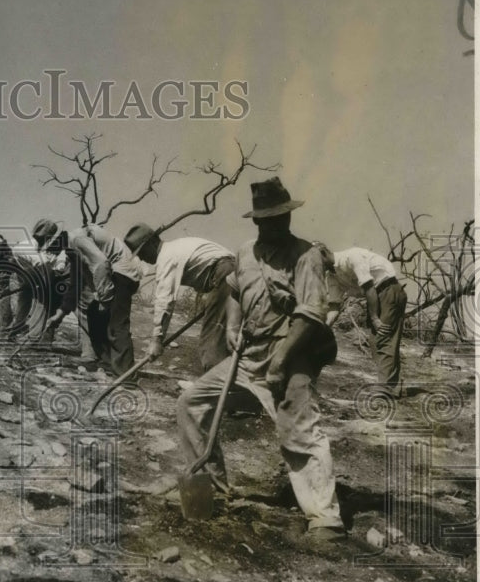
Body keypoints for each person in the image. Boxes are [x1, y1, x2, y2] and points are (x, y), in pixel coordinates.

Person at [176, 177, 346, 543]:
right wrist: (233, 326)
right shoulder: (244, 252)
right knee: (191, 402)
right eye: (263, 219)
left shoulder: (306, 255)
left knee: (299, 432)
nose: (270, 225)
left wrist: (281, 361)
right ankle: (213, 484)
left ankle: (325, 518)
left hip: (291, 353)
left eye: (277, 217)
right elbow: (236, 290)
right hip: (248, 356)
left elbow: (310, 315)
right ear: (255, 220)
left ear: (287, 215)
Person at [123, 225, 239, 371]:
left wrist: (156, 340)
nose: (140, 257)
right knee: (228, 336)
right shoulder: (175, 248)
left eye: (142, 251)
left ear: (152, 243)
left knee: (212, 343)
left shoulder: (167, 256)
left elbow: (165, 301)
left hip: (225, 276)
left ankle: (216, 388)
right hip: (229, 274)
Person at [40, 220, 143, 376]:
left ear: (56, 240)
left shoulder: (77, 240)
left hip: (124, 273)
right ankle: (107, 363)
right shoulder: (71, 248)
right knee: (94, 314)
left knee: (117, 323)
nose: (51, 252)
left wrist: (104, 298)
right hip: (113, 274)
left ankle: (126, 374)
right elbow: (76, 285)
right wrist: (60, 314)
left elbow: (101, 264)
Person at [325, 247, 407, 394]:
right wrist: (324, 328)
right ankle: (392, 387)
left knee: (383, 338)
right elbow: (334, 305)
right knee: (377, 341)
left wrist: (375, 317)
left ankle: (385, 389)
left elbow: (369, 288)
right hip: (376, 296)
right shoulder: (331, 276)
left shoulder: (351, 257)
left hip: (388, 290)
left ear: (323, 253)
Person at [4, 230, 70, 341]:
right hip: (33, 278)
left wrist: (44, 282)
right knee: (23, 303)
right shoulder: (41, 251)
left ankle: (34, 337)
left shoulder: (61, 255)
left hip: (47, 282)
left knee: (41, 306)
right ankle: (15, 331)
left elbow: (57, 270)